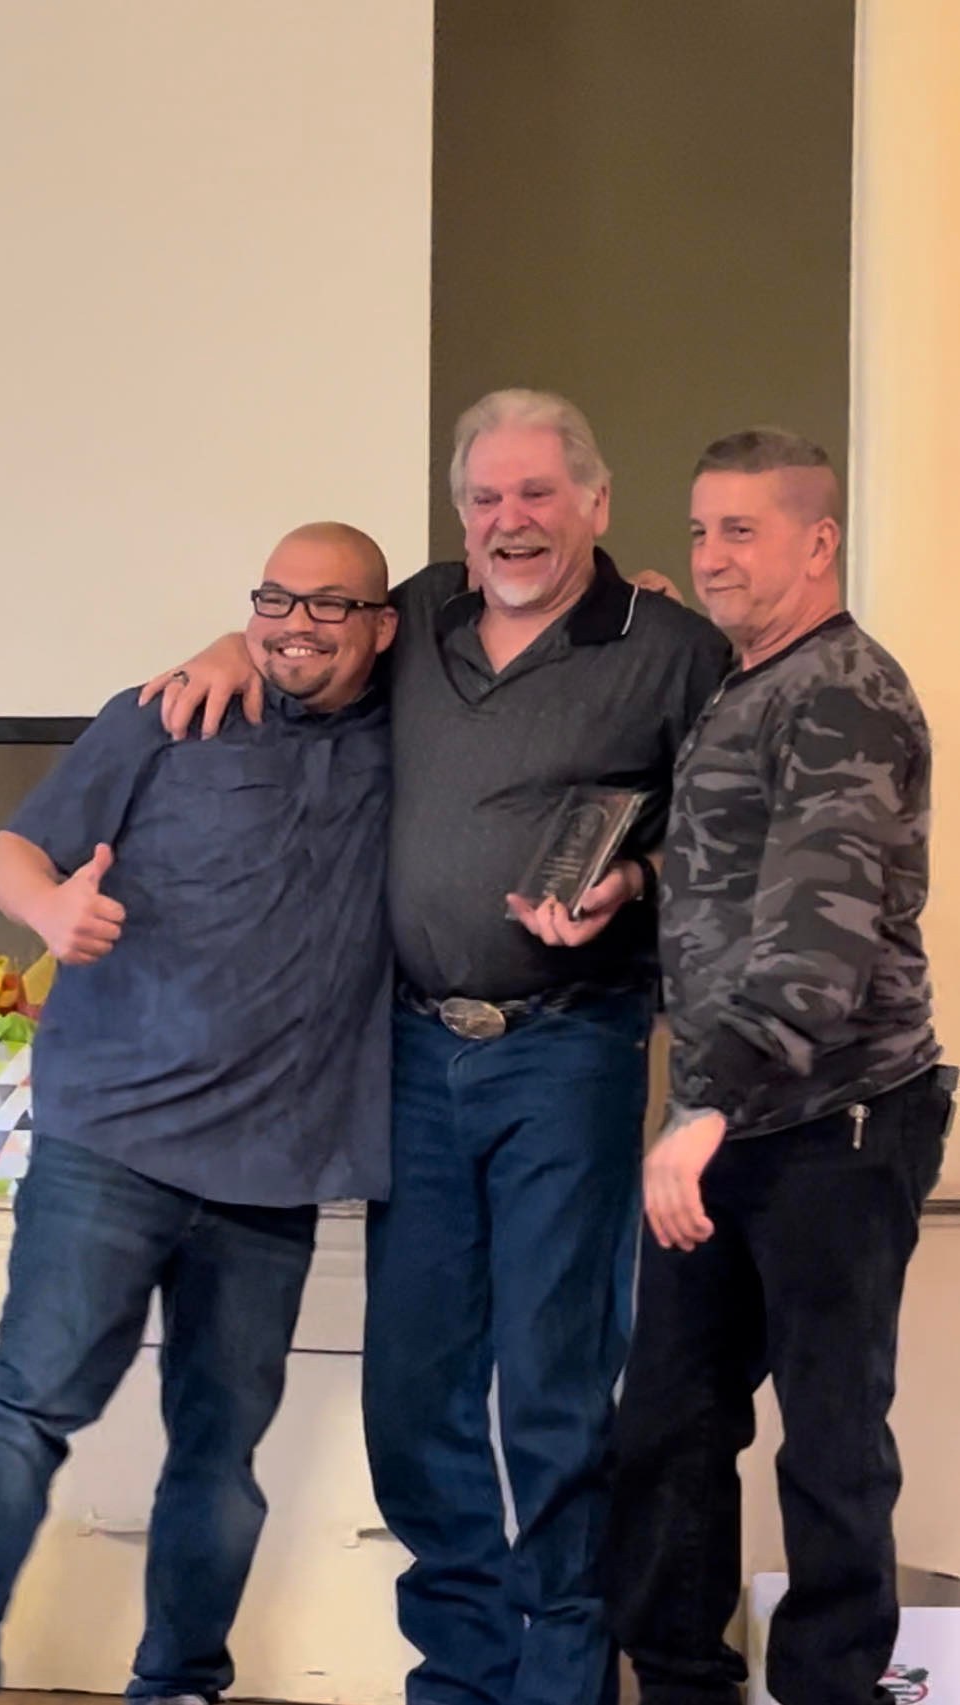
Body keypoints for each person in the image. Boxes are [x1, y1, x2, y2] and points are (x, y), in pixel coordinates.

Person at [140, 390, 730, 1705]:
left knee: (553, 1392)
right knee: (413, 1399)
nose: (509, 520)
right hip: (409, 1057)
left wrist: (632, 882)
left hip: (567, 1053)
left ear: (594, 502)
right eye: (485, 497)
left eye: (537, 493)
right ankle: (459, 1677)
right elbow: (306, 638)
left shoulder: (669, 648)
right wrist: (231, 646)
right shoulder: (415, 616)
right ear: (459, 512)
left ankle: (560, 1680)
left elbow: (725, 841)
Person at [0, 522, 398, 1705]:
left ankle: (180, 1683)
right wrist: (49, 913)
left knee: (221, 1454)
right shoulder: (167, 714)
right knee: (27, 1407)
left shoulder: (406, 737)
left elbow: (513, 616)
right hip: (108, 1143)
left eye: (330, 604)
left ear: (382, 627)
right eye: (273, 599)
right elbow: (13, 849)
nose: (296, 624)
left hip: (272, 1172)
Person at [602, 430, 956, 1705]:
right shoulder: (745, 680)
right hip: (728, 1121)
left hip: (833, 1120)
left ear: (820, 542)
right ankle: (681, 1682)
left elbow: (820, 932)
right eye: (702, 530)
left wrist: (705, 1105)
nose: (712, 557)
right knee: (670, 1426)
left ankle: (829, 1690)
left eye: (742, 531)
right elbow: (728, 874)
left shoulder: (844, 690)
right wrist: (625, 884)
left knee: (830, 1438)